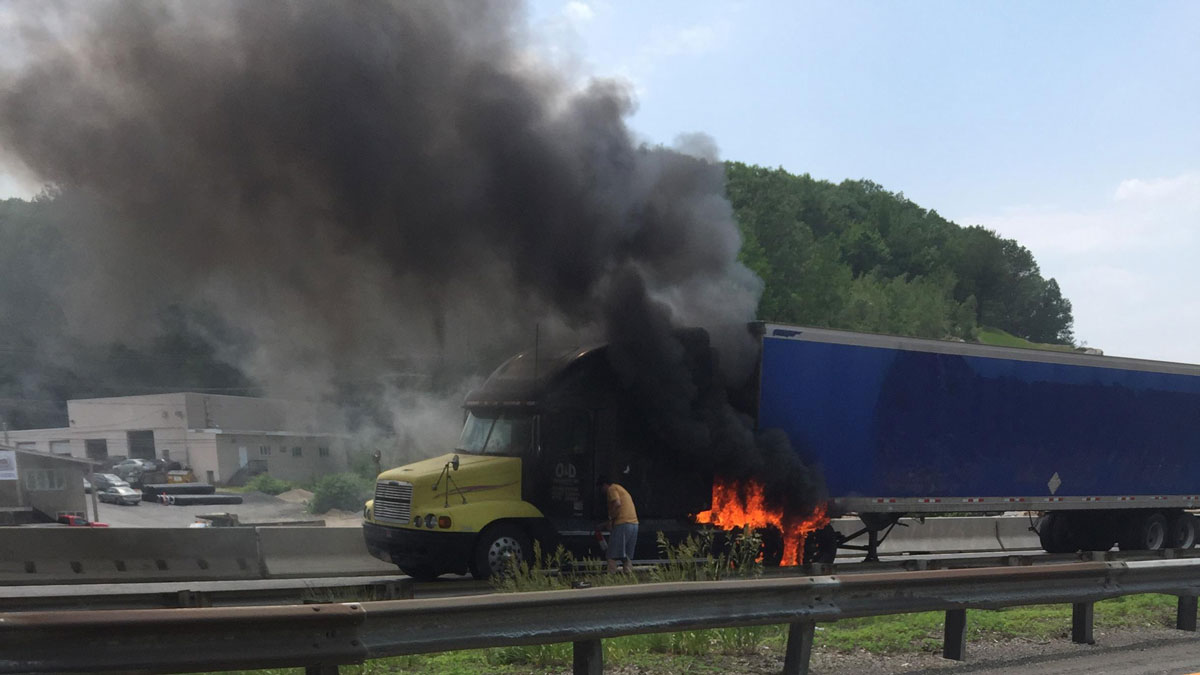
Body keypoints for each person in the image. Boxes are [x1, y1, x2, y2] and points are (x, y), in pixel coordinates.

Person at [598, 475, 638, 574]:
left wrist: (610, 519)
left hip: (622, 524)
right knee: (625, 555)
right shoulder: (621, 489)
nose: (601, 491)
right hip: (634, 524)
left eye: (601, 488)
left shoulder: (612, 489)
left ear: (604, 485)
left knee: (611, 555)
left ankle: (610, 576)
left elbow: (617, 503)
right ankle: (628, 574)